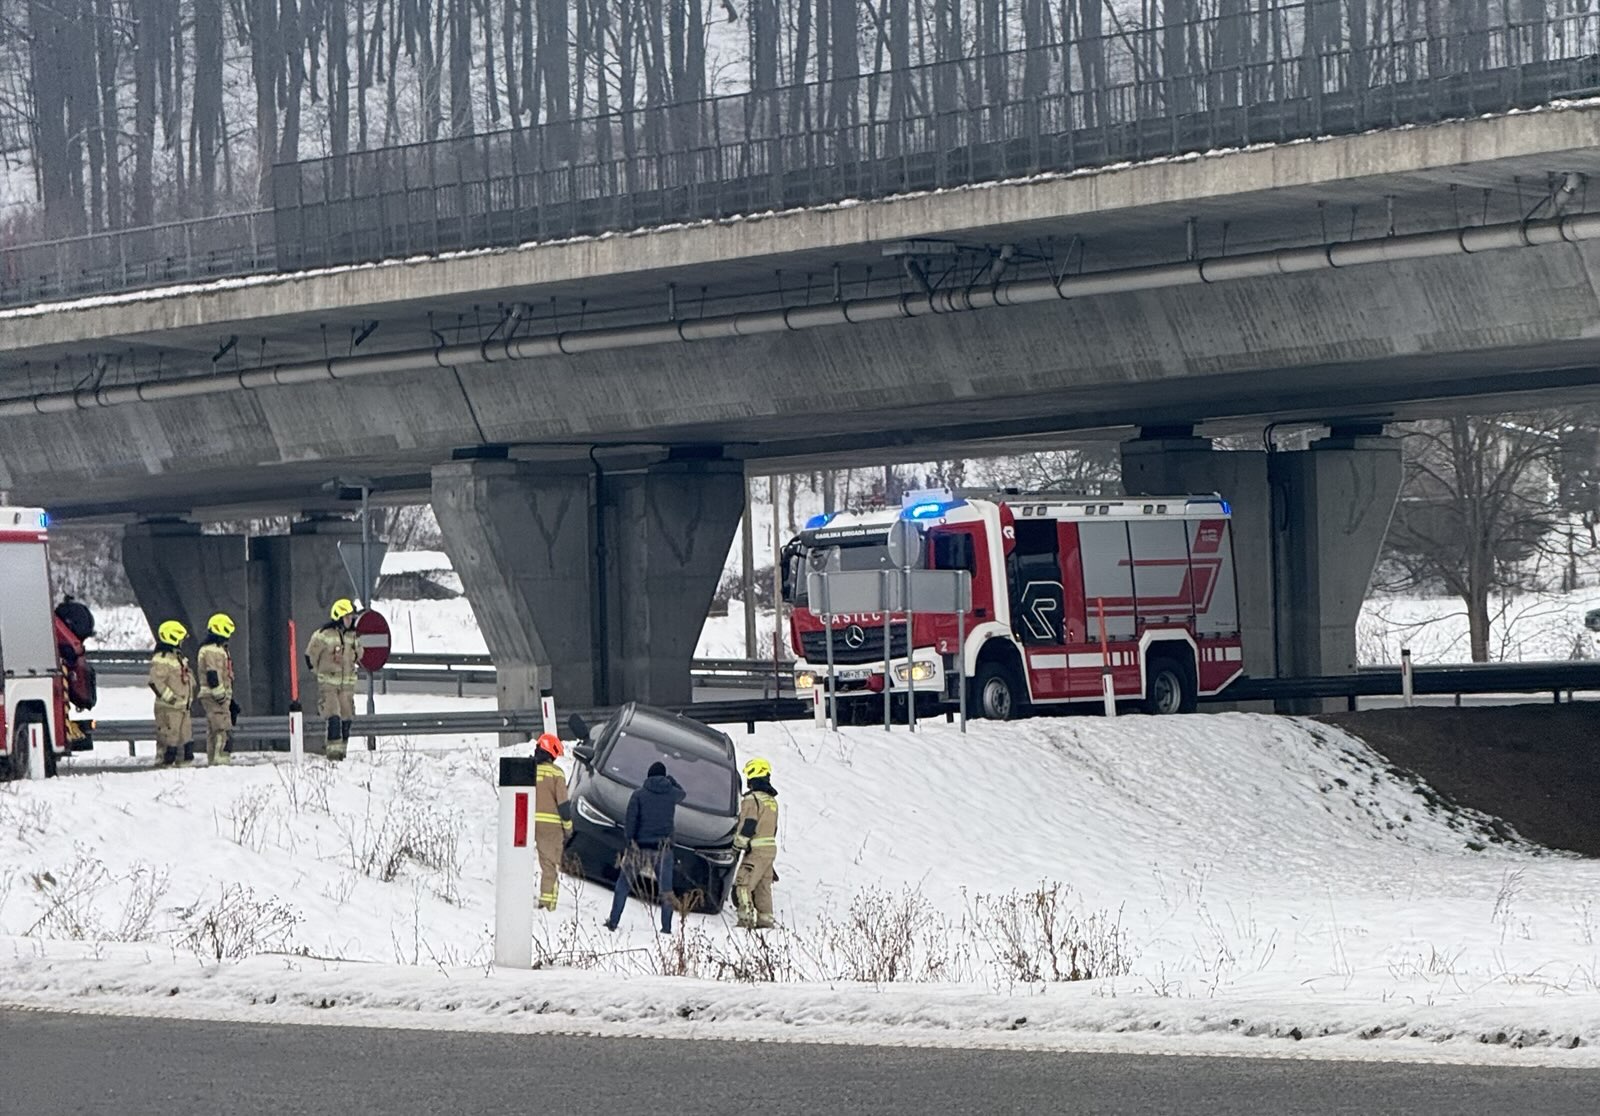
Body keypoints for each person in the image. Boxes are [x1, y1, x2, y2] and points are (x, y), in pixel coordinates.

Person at [605, 760, 686, 934]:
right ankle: (666, 929)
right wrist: (671, 780)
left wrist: (629, 841)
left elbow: (630, 821)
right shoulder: (672, 793)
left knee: (623, 885)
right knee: (666, 891)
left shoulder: (639, 795)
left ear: (648, 776)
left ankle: (613, 922)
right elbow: (683, 794)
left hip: (639, 848)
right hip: (663, 850)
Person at [306, 598, 359, 761]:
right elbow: (310, 657)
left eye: (352, 617)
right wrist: (322, 674)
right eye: (348, 617)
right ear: (339, 617)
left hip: (346, 688)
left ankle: (342, 753)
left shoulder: (352, 636)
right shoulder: (323, 635)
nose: (351, 620)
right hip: (329, 687)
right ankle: (333, 756)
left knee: (346, 720)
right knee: (334, 718)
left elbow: (358, 654)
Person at [732, 757, 780, 930]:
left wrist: (737, 845)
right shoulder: (772, 801)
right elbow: (773, 829)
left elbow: (749, 825)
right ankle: (765, 920)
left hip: (756, 851)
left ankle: (746, 919)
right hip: (769, 850)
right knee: (762, 886)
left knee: (743, 884)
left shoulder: (752, 800)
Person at [532, 733, 572, 911]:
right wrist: (568, 827)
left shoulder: (528, 770)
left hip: (527, 823)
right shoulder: (556, 773)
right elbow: (563, 804)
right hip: (550, 826)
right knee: (550, 865)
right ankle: (548, 905)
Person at [148, 620, 196, 768]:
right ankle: (165, 764)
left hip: (182, 708)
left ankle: (183, 764)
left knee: (184, 738)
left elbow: (187, 679)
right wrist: (172, 699)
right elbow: (156, 682)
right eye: (180, 639)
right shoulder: (162, 659)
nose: (182, 642)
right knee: (169, 739)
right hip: (169, 709)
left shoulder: (178, 658)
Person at [196, 612, 240, 766]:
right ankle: (220, 760)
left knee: (215, 729)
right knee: (221, 728)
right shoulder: (212, 650)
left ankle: (214, 759)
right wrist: (221, 696)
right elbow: (213, 675)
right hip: (215, 696)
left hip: (219, 696)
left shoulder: (218, 649)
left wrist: (229, 700)